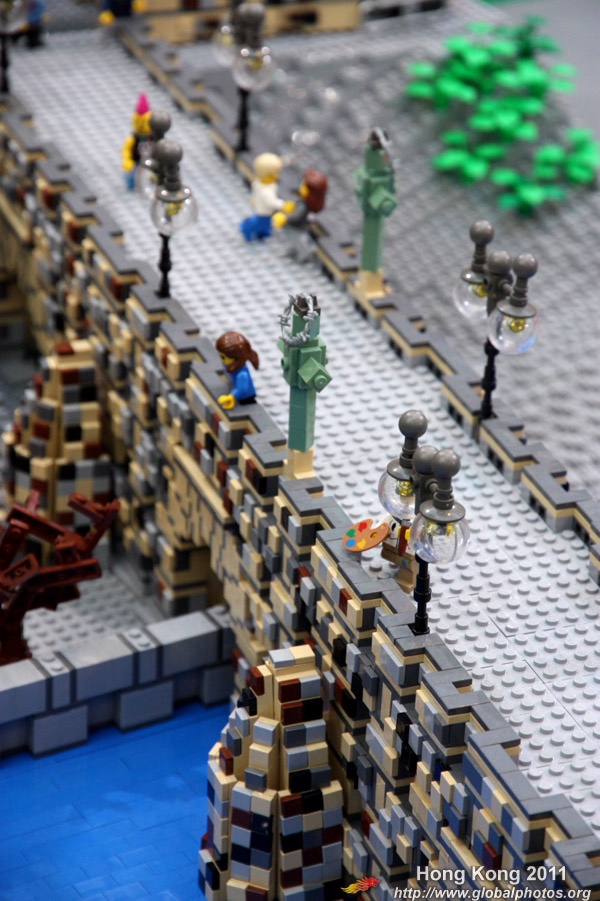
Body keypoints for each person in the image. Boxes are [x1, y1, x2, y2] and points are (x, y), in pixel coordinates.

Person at [239, 153, 293, 242]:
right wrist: (284, 205)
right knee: (260, 223)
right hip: (264, 211)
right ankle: (246, 228)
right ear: (269, 175)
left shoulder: (260, 182)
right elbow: (271, 202)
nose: (277, 175)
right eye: (275, 173)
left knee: (262, 224)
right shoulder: (266, 191)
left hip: (261, 207)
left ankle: (261, 233)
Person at [216, 332, 259, 408]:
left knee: (248, 407)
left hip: (246, 397)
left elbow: (242, 388)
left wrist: (231, 396)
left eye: (223, 357)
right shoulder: (231, 366)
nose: (222, 360)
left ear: (237, 358)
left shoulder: (242, 374)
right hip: (237, 392)